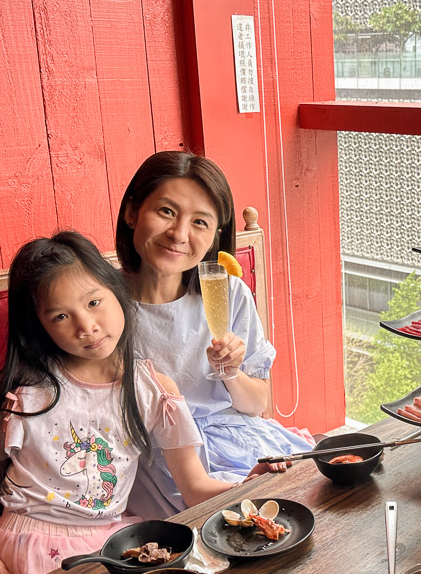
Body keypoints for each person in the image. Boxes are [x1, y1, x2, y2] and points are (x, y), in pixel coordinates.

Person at [0, 232, 240, 574]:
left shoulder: (154, 390)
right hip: (30, 544)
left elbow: (194, 487)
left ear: (117, 290)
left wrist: (248, 482)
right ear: (41, 327)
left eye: (94, 302)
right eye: (61, 316)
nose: (86, 327)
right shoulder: (26, 394)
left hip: (107, 541)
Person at [116, 151, 309, 518]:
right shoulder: (102, 307)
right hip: (166, 463)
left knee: (308, 507)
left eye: (200, 222)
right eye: (166, 212)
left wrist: (232, 372)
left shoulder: (227, 292)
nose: (179, 234)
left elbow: (255, 405)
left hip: (239, 438)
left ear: (216, 235)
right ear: (131, 213)